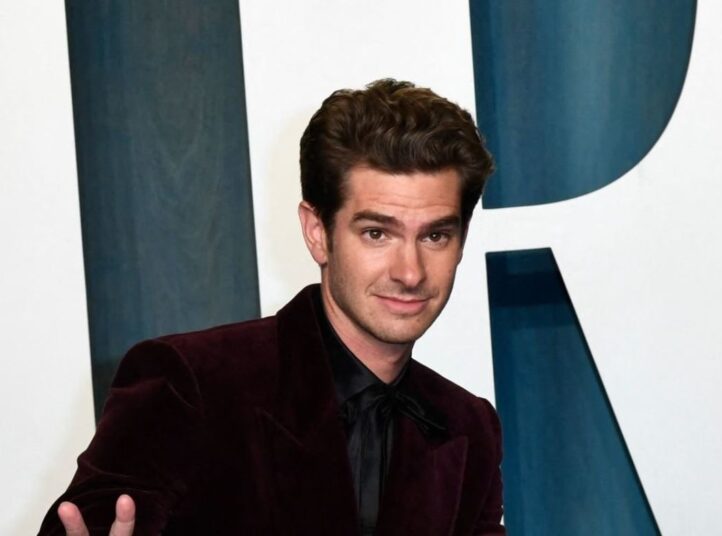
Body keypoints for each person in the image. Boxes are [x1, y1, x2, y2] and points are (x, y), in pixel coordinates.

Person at [40, 79, 505, 535]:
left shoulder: (469, 426)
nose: (410, 272)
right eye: (376, 233)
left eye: (435, 236)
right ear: (317, 232)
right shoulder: (191, 383)